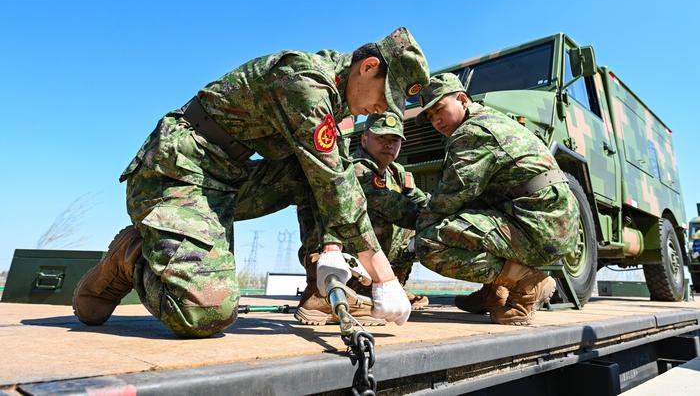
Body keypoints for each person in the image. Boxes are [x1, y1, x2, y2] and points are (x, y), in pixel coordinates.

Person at [72, 27, 430, 338]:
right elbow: (333, 180)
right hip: (176, 175)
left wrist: (332, 249)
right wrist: (384, 277)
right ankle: (129, 256)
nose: (383, 110)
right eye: (385, 98)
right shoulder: (305, 81)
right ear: (368, 67)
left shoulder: (339, 105)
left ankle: (319, 293)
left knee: (315, 170)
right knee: (205, 312)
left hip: (229, 180)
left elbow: (335, 180)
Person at [413, 73, 579, 325]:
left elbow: (449, 197)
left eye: (439, 109)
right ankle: (496, 291)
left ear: (462, 99)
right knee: (470, 216)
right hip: (547, 219)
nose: (435, 120)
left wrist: (418, 225)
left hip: (540, 224)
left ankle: (527, 284)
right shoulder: (489, 119)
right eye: (430, 116)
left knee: (429, 241)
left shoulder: (471, 133)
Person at [295, 112, 430, 325]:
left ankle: (379, 290)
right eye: (381, 138)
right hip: (336, 256)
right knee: (416, 221)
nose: (388, 145)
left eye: (394, 140)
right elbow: (402, 211)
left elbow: (423, 205)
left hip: (370, 266)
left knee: (420, 227)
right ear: (365, 139)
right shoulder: (357, 170)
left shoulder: (397, 173)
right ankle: (322, 296)